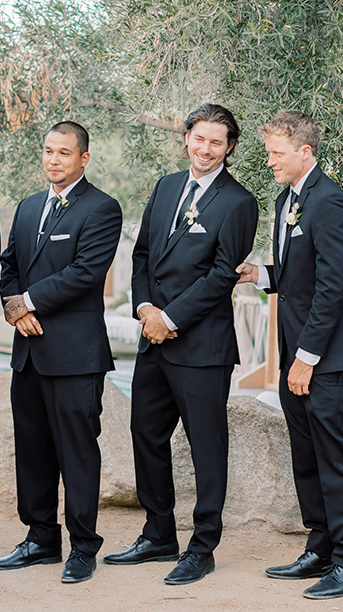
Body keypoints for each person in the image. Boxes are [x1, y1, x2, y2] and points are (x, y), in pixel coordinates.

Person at [102, 104, 257, 585]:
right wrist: (146, 310)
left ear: (229, 148)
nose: (206, 149)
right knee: (145, 434)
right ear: (186, 137)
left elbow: (222, 275)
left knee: (207, 446)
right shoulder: (168, 187)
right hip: (154, 337)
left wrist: (170, 318)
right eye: (199, 138)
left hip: (202, 345)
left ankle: (203, 545)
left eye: (217, 142)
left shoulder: (238, 202)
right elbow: (143, 252)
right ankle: (158, 533)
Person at [235, 111, 343, 599]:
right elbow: (300, 275)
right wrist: (263, 275)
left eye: (276, 153)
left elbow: (334, 285)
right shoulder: (287, 197)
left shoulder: (329, 200)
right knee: (307, 457)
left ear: (304, 152)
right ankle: (322, 546)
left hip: (325, 360)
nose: (269, 161)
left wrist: (307, 357)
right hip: (296, 353)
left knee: (335, 458)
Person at [0, 121, 122, 585]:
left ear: (83, 158)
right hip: (28, 350)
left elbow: (86, 273)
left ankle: (84, 546)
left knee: (77, 452)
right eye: (48, 151)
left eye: (64, 153)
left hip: (75, 355)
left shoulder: (103, 209)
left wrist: (29, 300)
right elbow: (8, 265)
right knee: (32, 450)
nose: (54, 160)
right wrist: (13, 306)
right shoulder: (27, 208)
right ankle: (40, 539)